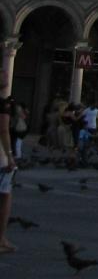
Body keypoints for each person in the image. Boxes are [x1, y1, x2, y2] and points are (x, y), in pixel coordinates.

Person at [0, 96, 16, 254]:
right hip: (1, 158)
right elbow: (4, 130)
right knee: (5, 196)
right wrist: (10, 155)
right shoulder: (2, 104)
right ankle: (0, 239)